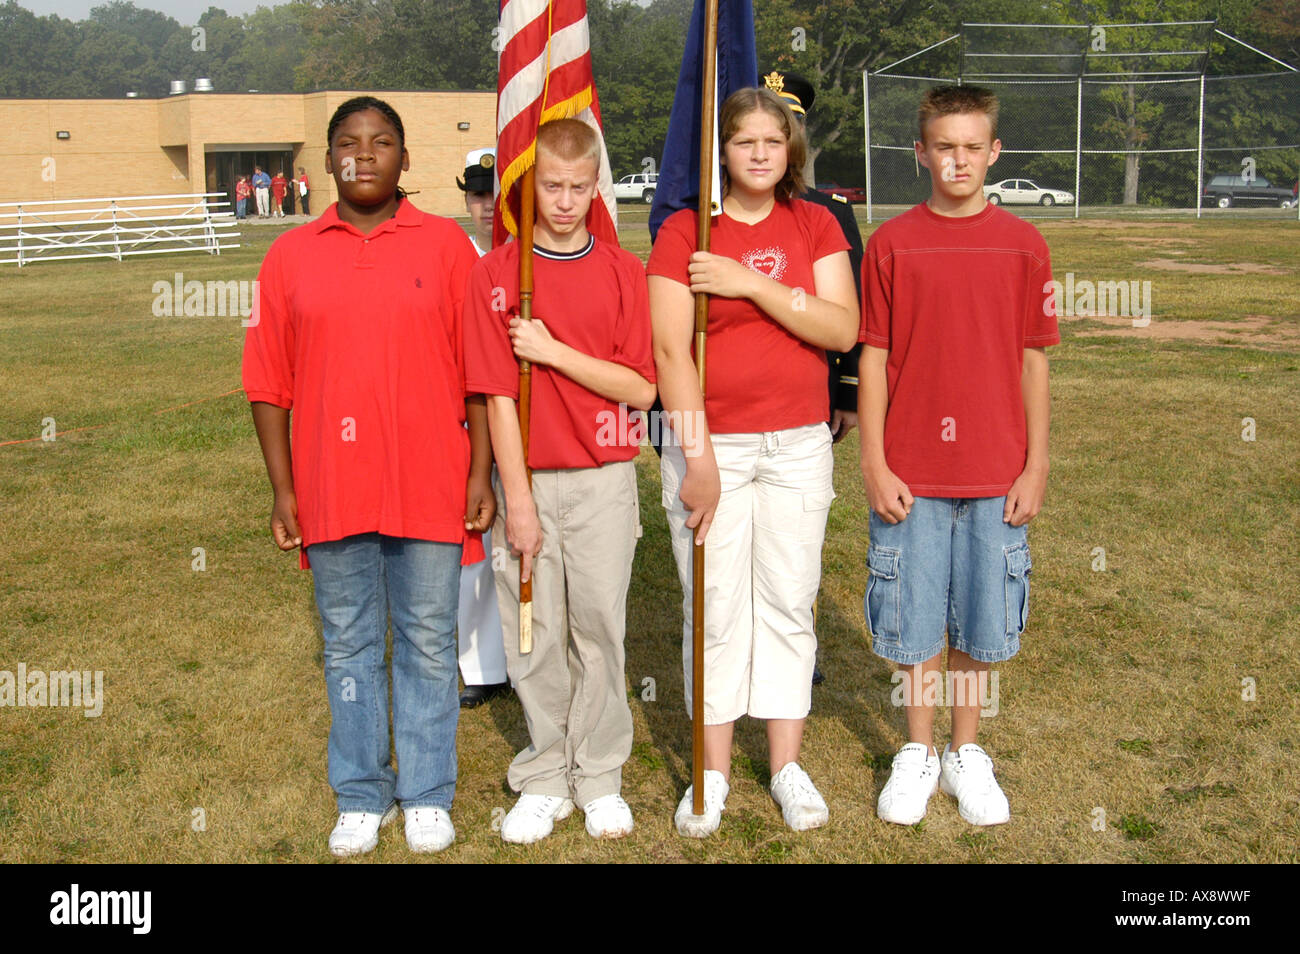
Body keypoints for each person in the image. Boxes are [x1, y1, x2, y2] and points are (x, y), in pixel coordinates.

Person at [242, 96, 494, 857]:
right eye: (348, 143)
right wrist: (285, 490)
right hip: (332, 486)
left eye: (382, 142)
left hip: (430, 481)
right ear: (325, 162)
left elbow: (480, 372)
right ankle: (360, 790)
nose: (364, 154)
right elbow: (268, 383)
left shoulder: (449, 247)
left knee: (424, 640)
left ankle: (424, 793)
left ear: (405, 161)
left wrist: (480, 472)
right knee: (349, 644)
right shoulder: (289, 256)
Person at [647, 87, 857, 837]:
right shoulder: (685, 231)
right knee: (714, 607)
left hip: (797, 444)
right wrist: (697, 458)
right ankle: (710, 772)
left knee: (788, 603)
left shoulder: (817, 223)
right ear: (723, 153)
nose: (761, 153)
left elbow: (840, 327)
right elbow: (671, 349)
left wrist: (752, 283)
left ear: (790, 150)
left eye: (774, 140)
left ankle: (788, 765)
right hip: (713, 447)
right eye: (745, 142)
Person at [859, 85, 1058, 828]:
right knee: (911, 619)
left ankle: (966, 752)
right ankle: (917, 751)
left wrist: (1035, 465)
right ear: (922, 153)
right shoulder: (892, 242)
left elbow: (1035, 359)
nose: (959, 160)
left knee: (980, 618)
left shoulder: (1024, 244)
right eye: (945, 146)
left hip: (995, 469)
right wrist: (875, 462)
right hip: (911, 470)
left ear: (995, 152)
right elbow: (874, 357)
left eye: (973, 147)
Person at [464, 118, 655, 844]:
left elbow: (638, 389)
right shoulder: (496, 275)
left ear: (595, 185)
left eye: (580, 187)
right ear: (528, 186)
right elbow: (497, 396)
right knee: (534, 634)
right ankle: (545, 773)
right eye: (553, 187)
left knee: (601, 629)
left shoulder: (620, 272)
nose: (567, 201)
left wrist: (551, 349)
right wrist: (517, 501)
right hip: (531, 479)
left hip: (605, 478)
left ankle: (600, 772)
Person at [763, 69, 866, 689]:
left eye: (788, 123)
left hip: (810, 394)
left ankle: (798, 639)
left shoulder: (828, 212)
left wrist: (848, 393)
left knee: (796, 531)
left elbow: (854, 312)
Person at [454, 146, 510, 708]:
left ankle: (525, 656)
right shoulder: (458, 256)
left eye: (495, 193)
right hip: (470, 414)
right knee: (475, 540)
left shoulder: (529, 256)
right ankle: (482, 665)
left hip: (524, 415)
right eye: (477, 194)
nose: (488, 205)